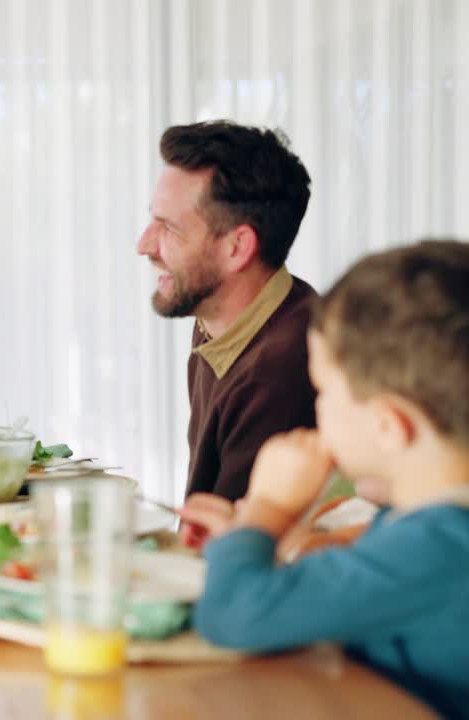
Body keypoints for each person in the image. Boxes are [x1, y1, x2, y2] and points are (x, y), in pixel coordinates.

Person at [190, 240, 469, 718]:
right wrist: (253, 540)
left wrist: (267, 510)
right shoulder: (423, 525)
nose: (317, 408)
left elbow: (230, 615)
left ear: (388, 425)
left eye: (323, 390)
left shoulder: (435, 548)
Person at [137, 120, 317, 503]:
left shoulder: (278, 375)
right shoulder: (221, 322)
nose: (145, 245)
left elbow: (229, 547)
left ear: (237, 248)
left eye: (169, 228)